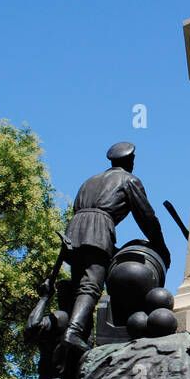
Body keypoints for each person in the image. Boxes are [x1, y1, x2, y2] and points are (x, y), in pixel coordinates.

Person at [59, 142, 171, 358]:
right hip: (98, 230)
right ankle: (73, 332)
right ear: (131, 161)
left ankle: (82, 338)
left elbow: (77, 209)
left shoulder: (89, 181)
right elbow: (146, 217)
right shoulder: (129, 180)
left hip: (74, 231)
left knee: (78, 286)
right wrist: (161, 246)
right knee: (91, 286)